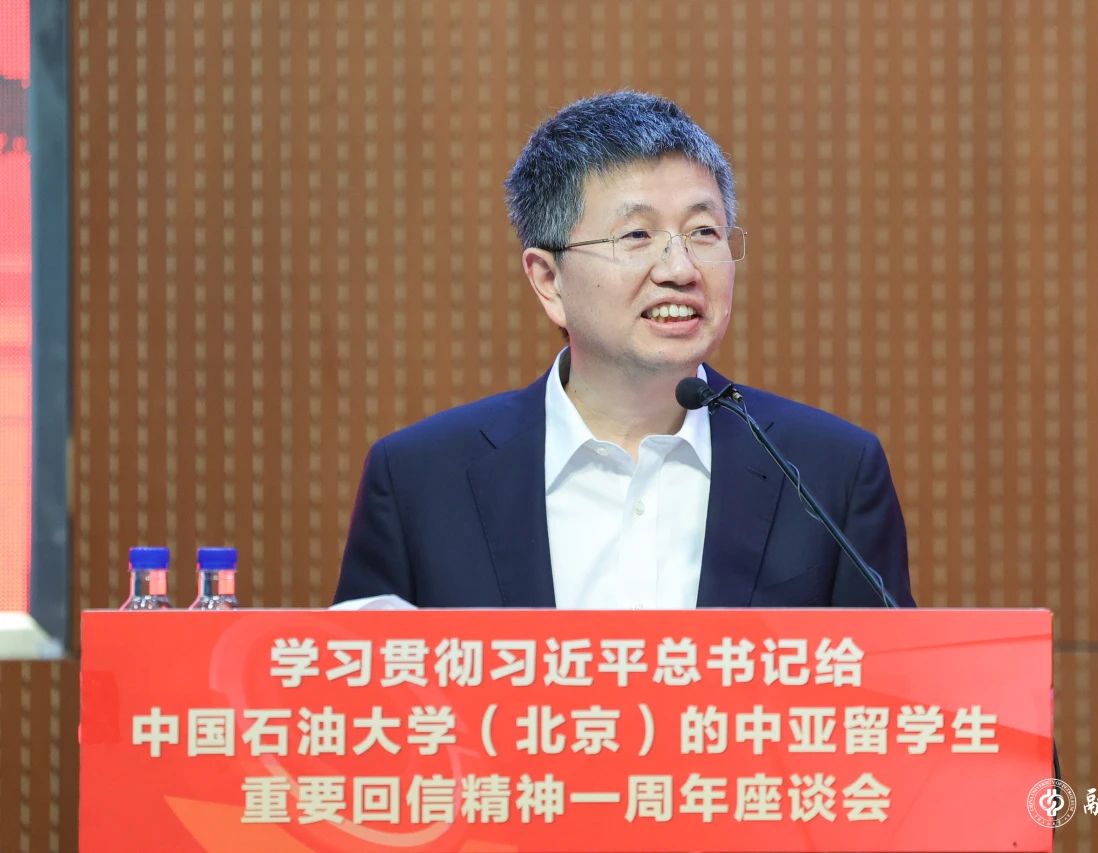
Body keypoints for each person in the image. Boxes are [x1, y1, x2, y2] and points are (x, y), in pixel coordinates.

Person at [333, 91, 914, 609]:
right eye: (636, 235)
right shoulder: (420, 480)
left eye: (704, 232)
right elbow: (364, 687)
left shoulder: (830, 473)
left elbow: (890, 684)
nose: (680, 269)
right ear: (549, 281)